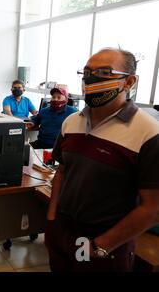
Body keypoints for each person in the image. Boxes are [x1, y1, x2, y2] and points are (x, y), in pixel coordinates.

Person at [45, 48, 159, 272]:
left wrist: (100, 247)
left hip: (105, 240)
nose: (91, 79)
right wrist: (51, 220)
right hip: (64, 229)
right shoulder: (71, 122)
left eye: (105, 73)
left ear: (129, 82)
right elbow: (62, 172)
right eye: (87, 72)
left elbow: (153, 208)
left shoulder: (148, 133)